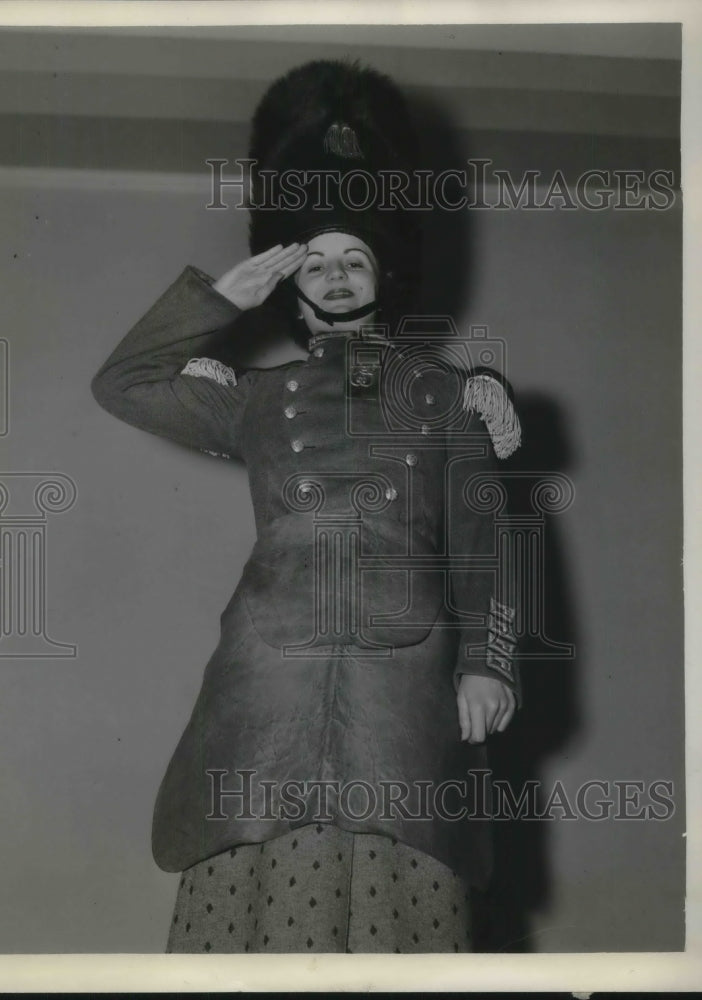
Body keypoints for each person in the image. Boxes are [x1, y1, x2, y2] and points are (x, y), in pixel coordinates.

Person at [91, 60, 521, 954]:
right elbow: (123, 385)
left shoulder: (451, 397)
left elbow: (485, 546)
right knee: (251, 880)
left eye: (353, 257)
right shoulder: (253, 396)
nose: (333, 275)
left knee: (397, 895)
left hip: (404, 687)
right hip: (266, 684)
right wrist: (216, 301)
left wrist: (490, 663)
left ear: (384, 273)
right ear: (290, 281)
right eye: (314, 260)